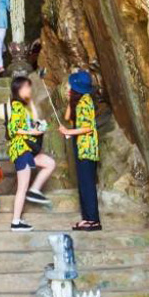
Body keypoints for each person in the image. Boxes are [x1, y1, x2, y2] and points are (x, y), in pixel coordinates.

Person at [4, 75, 55, 230]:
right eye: (27, 87)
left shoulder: (23, 106)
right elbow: (12, 129)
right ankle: (16, 222)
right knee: (22, 187)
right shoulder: (17, 106)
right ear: (19, 89)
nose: (30, 90)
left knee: (49, 163)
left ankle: (35, 190)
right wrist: (32, 131)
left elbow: (34, 120)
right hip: (21, 149)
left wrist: (31, 102)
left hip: (27, 149)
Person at [58, 70, 101, 231]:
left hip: (87, 148)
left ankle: (94, 221)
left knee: (87, 184)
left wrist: (68, 132)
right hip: (81, 147)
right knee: (83, 184)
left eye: (71, 84)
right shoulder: (80, 100)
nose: (68, 86)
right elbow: (69, 118)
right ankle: (87, 218)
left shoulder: (85, 102)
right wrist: (70, 100)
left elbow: (87, 127)